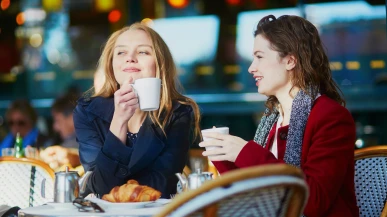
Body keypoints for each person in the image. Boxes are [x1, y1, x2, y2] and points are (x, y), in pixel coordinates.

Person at [200, 15, 358, 217]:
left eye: (260, 56)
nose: (251, 67)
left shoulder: (331, 117)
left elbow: (314, 201)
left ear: (290, 60)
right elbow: (253, 193)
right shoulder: (273, 120)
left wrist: (245, 152)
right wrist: (223, 156)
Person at [73, 23, 201, 198]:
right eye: (121, 52)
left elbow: (163, 182)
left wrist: (118, 184)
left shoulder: (177, 113)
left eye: (143, 52)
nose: (130, 58)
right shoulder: (87, 111)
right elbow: (100, 186)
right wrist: (119, 121)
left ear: (160, 63)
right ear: (111, 64)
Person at [39, 94, 81, 170]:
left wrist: (69, 156)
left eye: (57, 120)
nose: (55, 127)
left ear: (72, 118)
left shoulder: (85, 143)